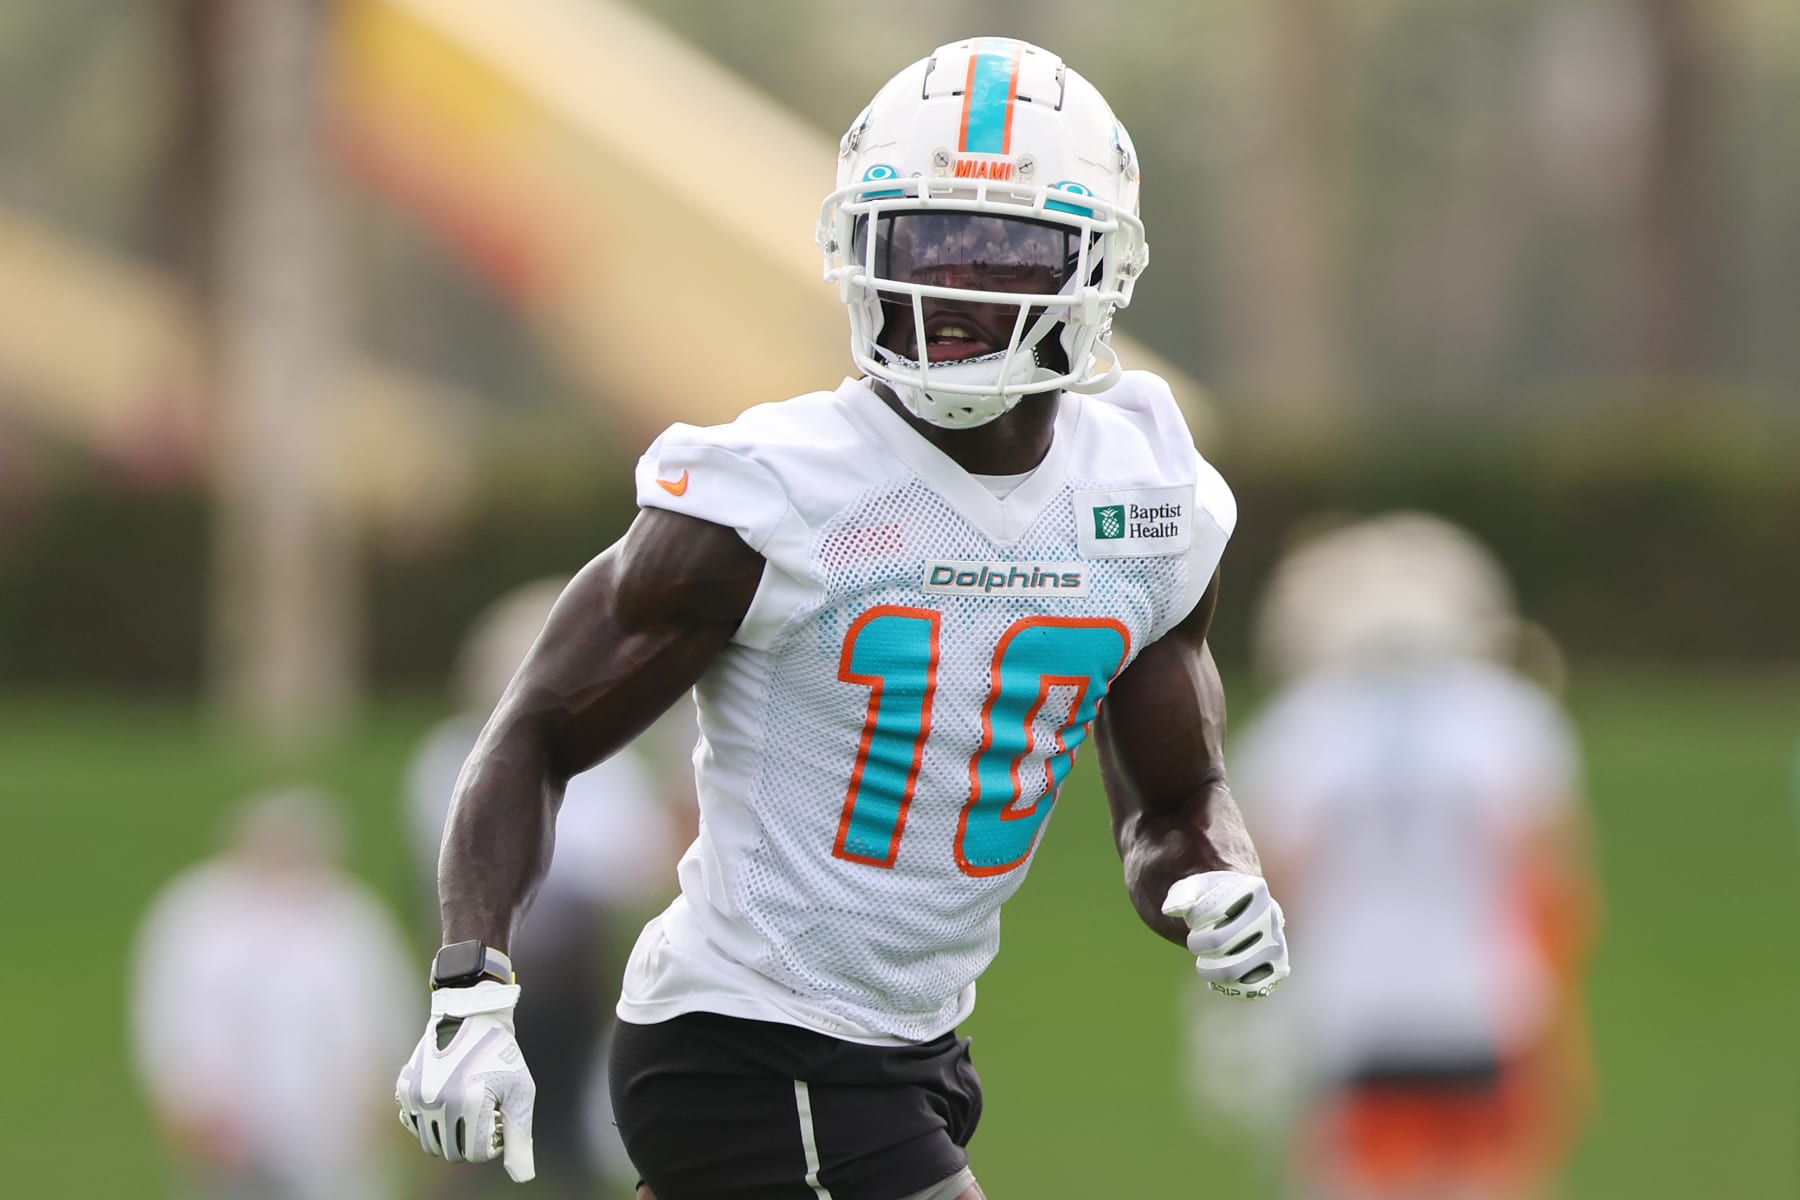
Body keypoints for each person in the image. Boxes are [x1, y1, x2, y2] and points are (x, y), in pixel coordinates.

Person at [397, 36, 1290, 1200]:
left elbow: (1171, 802)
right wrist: (472, 983)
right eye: (920, 241)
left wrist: (1219, 882)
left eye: (997, 250)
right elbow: (534, 732)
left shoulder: (1149, 498)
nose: (948, 289)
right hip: (751, 1039)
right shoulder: (766, 490)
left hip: (910, 1045)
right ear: (856, 245)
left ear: (1097, 266)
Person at [1186, 513, 1599, 1200]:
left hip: (1352, 1017)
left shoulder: (1298, 730)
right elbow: (1555, 883)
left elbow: (1261, 895)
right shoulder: (1512, 720)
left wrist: (1240, 1010)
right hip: (1484, 1009)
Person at [404, 579, 688, 1197]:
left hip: (572, 979)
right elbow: (475, 856)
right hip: (482, 974)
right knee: (464, 1137)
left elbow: (636, 865)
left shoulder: (605, 761)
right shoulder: (451, 755)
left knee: (566, 1141)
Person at [131, 786, 415, 1200]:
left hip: (334, 1141)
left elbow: (389, 1015)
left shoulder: (353, 920)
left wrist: (381, 1099)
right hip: (225, 1136)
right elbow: (168, 1016)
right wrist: (185, 1101)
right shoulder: (195, 915)